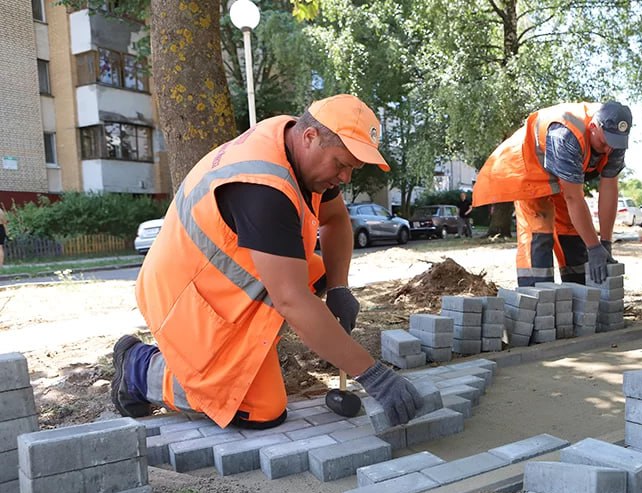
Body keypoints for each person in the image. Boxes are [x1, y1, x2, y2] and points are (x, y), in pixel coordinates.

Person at [110, 94, 423, 429]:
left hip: (235, 278)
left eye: (352, 168)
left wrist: (338, 286)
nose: (345, 178)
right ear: (310, 138)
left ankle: (252, 352)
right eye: (341, 164)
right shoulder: (263, 190)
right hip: (187, 297)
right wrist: (374, 376)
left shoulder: (301, 154)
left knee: (316, 276)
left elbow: (335, 220)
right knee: (259, 409)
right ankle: (139, 369)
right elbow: (291, 300)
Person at [472, 100, 632, 286]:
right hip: (530, 170)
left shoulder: (615, 138)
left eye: (614, 145)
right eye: (604, 143)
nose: (608, 150)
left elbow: (609, 188)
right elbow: (573, 197)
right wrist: (594, 247)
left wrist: (604, 243)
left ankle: (579, 294)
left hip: (561, 177)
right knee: (540, 231)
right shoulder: (566, 133)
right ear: (594, 127)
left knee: (572, 229)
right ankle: (537, 296)